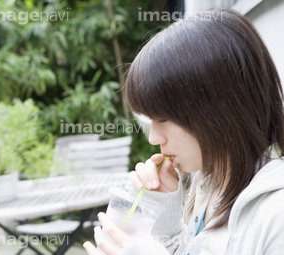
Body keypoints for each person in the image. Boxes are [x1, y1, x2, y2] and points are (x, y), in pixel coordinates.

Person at [83, 7, 284, 255]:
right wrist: (165, 215)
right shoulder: (210, 182)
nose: (153, 137)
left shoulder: (276, 212)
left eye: (163, 118)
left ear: (220, 106)